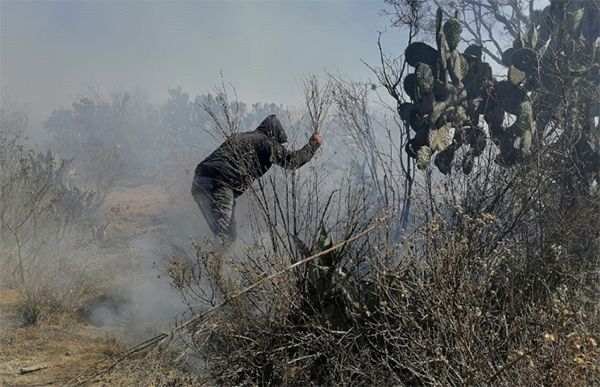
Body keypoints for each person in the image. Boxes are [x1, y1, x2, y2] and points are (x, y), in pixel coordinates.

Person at [192, 114, 323, 241]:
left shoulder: (242, 137)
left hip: (200, 181)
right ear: (274, 136)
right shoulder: (266, 143)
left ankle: (198, 259)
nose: (279, 145)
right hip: (219, 184)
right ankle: (206, 261)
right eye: (278, 142)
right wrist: (313, 145)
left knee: (221, 234)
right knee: (225, 238)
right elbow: (292, 161)